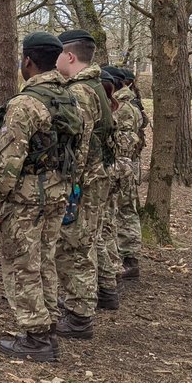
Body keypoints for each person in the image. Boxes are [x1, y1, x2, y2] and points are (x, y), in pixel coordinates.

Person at [0, 33, 80, 362]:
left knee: (22, 264)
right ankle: (49, 322)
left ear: (27, 60)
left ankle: (37, 337)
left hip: (27, 197)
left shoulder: (24, 104)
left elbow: (9, 162)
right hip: (58, 191)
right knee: (45, 260)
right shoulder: (70, 98)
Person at [53, 29, 114, 339]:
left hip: (84, 182)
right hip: (96, 178)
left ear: (70, 56)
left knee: (73, 247)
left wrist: (67, 185)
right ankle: (80, 307)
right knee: (83, 245)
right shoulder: (94, 86)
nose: (55, 61)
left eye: (59, 55)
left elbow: (80, 143)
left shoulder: (79, 92)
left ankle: (79, 316)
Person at [93, 69, 124, 309]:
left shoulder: (106, 113)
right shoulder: (110, 110)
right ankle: (110, 277)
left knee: (95, 235)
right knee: (105, 228)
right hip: (109, 174)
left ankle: (106, 285)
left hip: (100, 177)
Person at [111, 67, 143, 279]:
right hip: (130, 164)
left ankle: (126, 259)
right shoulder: (133, 105)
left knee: (121, 211)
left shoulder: (120, 107)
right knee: (128, 210)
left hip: (119, 164)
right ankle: (129, 257)